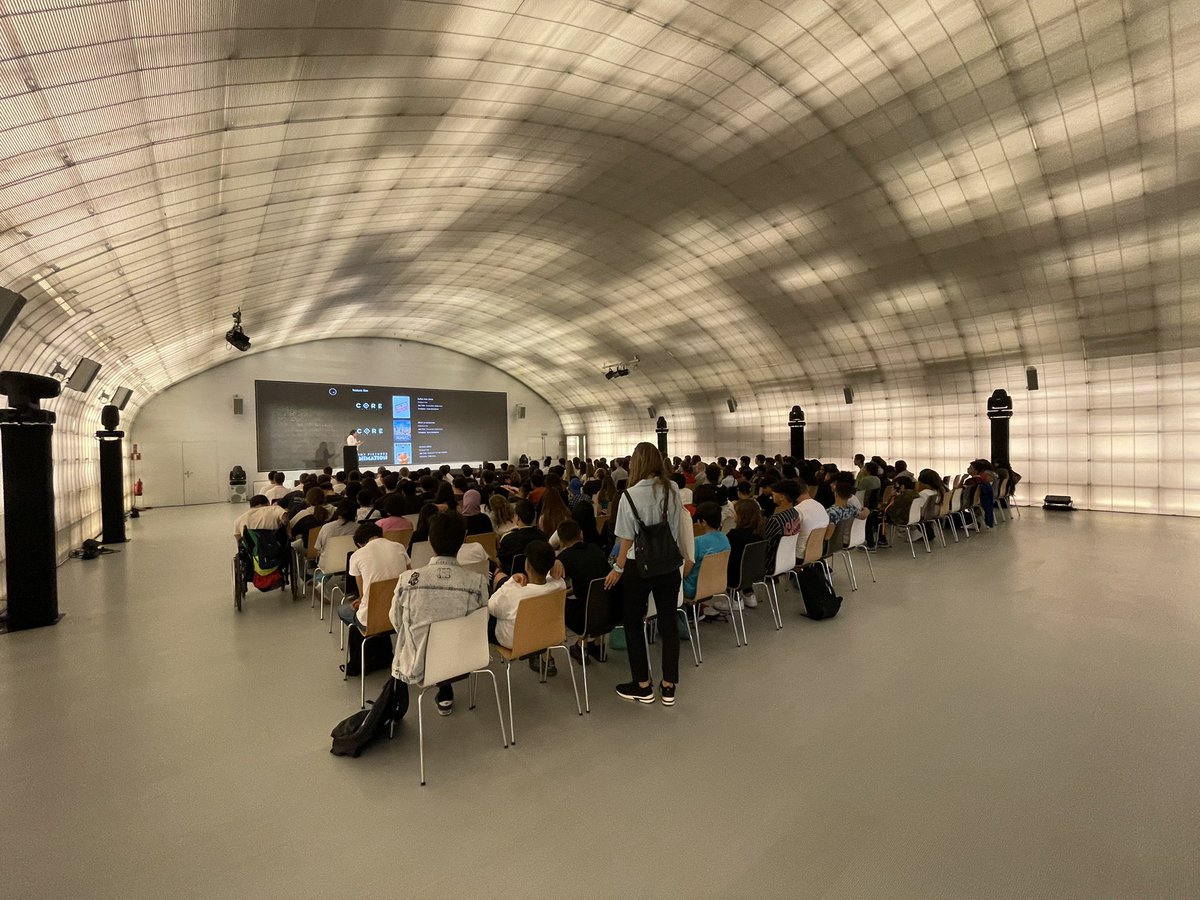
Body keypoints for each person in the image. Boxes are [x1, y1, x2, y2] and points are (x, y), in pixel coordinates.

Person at [603, 441, 693, 707]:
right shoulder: (673, 489)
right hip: (668, 563)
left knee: (632, 622)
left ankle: (642, 684)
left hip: (637, 567)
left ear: (636, 463)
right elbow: (676, 525)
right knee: (668, 622)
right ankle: (669, 686)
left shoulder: (629, 495)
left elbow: (626, 539)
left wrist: (617, 569)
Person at [389, 512, 490, 716]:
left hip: (419, 662)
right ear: (464, 538)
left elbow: (397, 621)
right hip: (465, 659)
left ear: (429, 540)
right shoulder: (476, 582)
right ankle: (446, 689)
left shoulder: (408, 580)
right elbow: (481, 622)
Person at [487, 540, 566, 652]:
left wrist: (511, 582)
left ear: (527, 564)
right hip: (547, 635)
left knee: (488, 617)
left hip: (514, 642)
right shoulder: (560, 585)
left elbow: (491, 606)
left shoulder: (514, 593)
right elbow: (551, 576)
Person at [337, 522, 410, 631]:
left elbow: (362, 594)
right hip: (402, 613)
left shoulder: (357, 555)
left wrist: (361, 600)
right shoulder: (399, 547)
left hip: (371, 620)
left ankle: (367, 641)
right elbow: (409, 576)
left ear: (360, 544)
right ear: (381, 534)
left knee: (342, 610)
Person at [555, 520, 612, 648]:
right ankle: (597, 643)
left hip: (585, 618)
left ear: (561, 541)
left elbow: (556, 586)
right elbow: (587, 584)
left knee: (559, 602)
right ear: (581, 533)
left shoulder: (564, 558)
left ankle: (581, 644)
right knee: (591, 597)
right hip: (612, 611)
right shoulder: (594, 548)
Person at [684, 501, 730, 600]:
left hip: (692, 588)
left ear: (703, 522)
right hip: (715, 584)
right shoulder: (725, 539)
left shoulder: (697, 542)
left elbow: (685, 573)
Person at [497, 500, 544, 577]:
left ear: (517, 518)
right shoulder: (542, 537)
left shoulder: (508, 539)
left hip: (513, 579)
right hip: (538, 576)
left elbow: (499, 563)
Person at [314, 500, 359, 571]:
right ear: (354, 514)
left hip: (327, 569)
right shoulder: (359, 529)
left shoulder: (326, 528)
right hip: (351, 568)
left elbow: (318, 549)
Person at [794, 480, 831, 557]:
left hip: (800, 554)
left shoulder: (798, 510)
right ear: (807, 488)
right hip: (818, 551)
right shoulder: (821, 507)